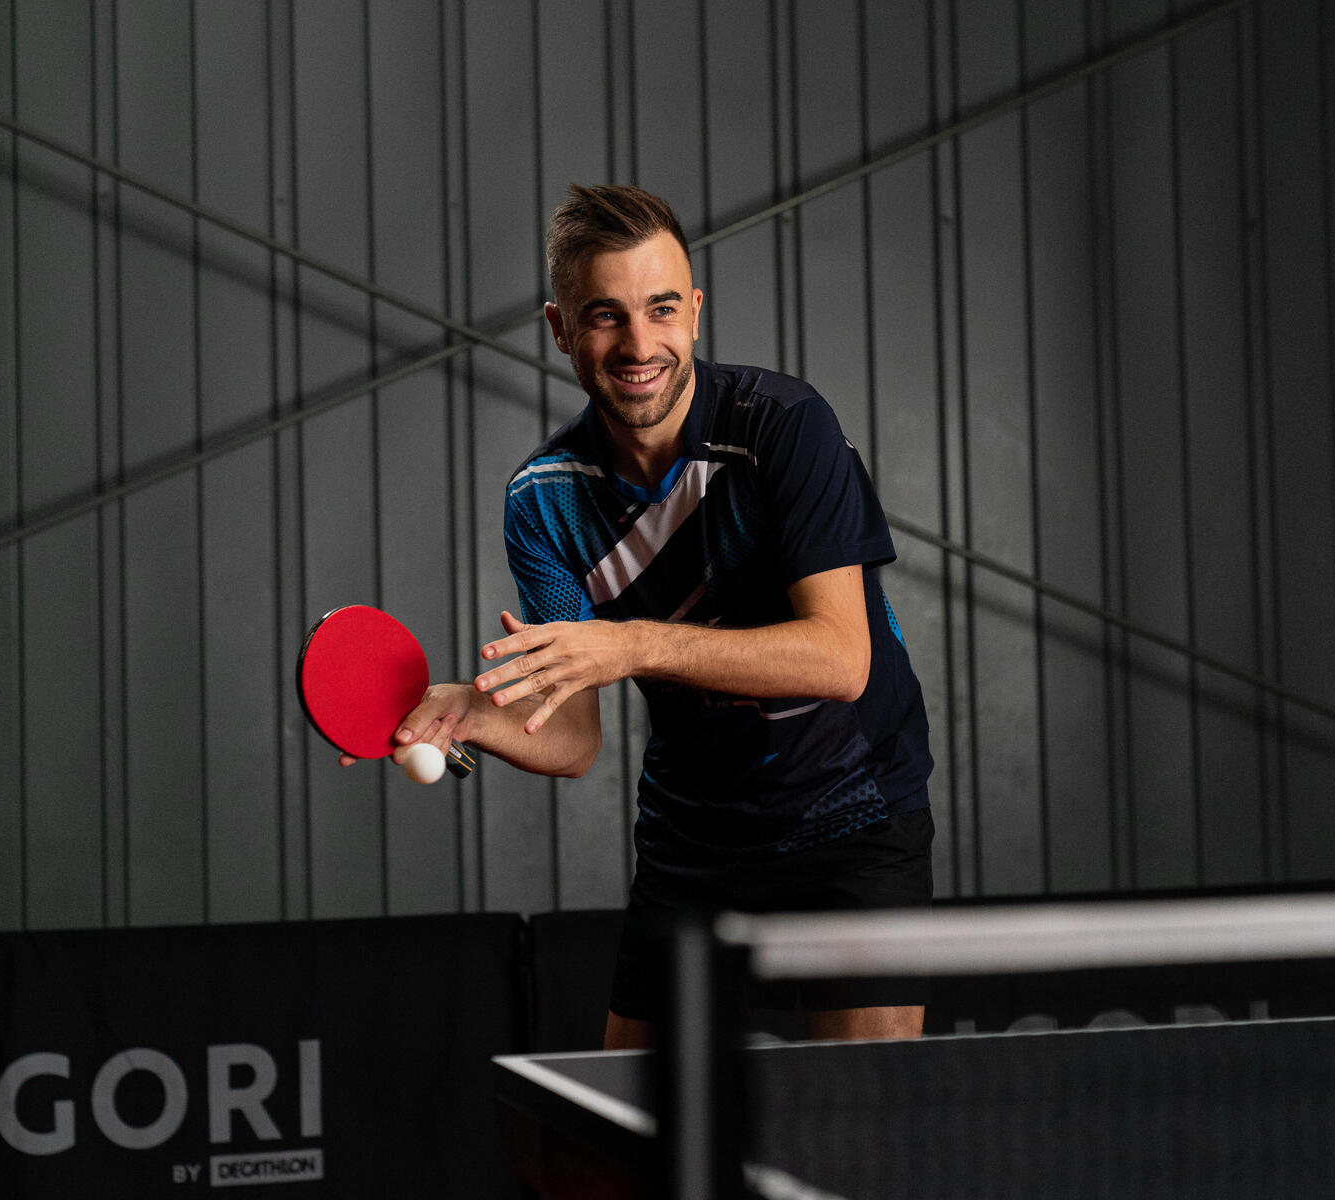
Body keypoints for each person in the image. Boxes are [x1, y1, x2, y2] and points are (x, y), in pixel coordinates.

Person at [376, 183, 934, 1048]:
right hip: (695, 839)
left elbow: (840, 658)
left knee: (861, 1135)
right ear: (560, 329)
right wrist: (474, 712)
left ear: (695, 313)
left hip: (853, 811)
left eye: (661, 309)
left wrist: (628, 643)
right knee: (623, 1150)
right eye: (606, 316)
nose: (640, 344)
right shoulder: (545, 501)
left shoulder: (786, 428)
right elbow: (573, 740)